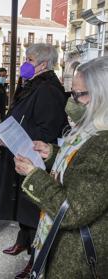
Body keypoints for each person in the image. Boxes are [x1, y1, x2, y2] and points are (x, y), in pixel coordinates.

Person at [14, 56, 108, 279]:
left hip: (76, 257)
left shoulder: (104, 144)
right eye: (71, 93)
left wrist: (34, 175)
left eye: (79, 95)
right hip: (66, 247)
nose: (72, 101)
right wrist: (52, 153)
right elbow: (81, 167)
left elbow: (73, 210)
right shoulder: (92, 129)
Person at [0, 43, 70, 275]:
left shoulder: (48, 89)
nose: (24, 64)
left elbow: (47, 131)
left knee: (34, 208)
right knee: (23, 203)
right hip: (20, 152)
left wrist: (14, 136)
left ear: (43, 64)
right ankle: (23, 241)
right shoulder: (34, 84)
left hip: (32, 157)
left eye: (28, 59)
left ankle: (35, 259)